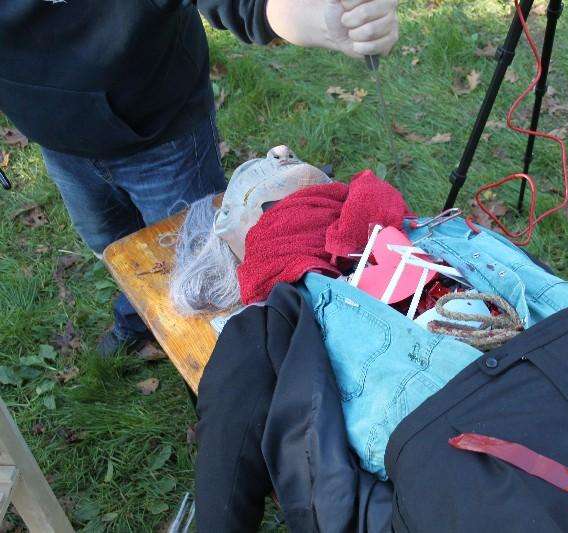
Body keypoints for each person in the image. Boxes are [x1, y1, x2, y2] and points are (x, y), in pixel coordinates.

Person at [0, 0, 399, 356]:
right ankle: (137, 318)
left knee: (204, 268)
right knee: (113, 246)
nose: (279, 152)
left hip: (163, 136)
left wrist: (320, 19)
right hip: (58, 143)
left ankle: (223, 362)